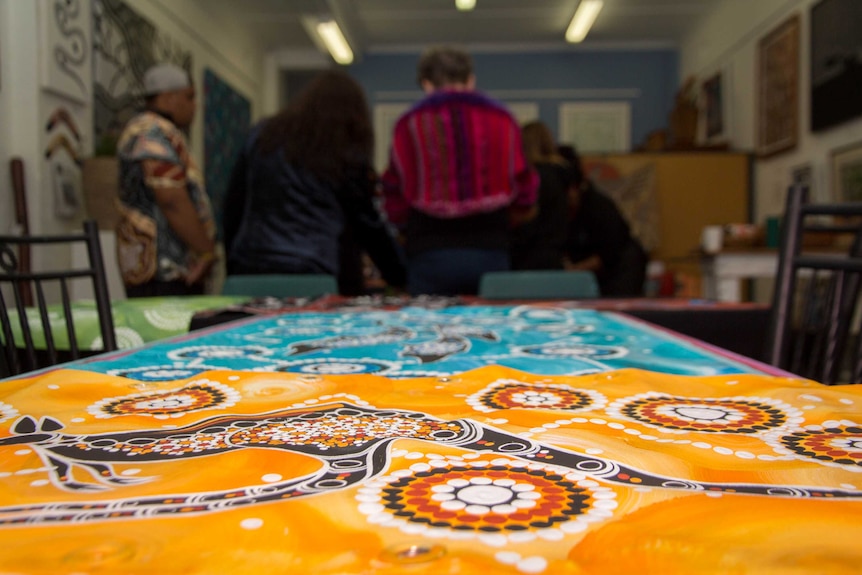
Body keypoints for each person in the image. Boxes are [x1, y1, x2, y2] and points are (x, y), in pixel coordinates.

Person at [223, 70, 406, 296]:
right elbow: (367, 224)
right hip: (311, 274)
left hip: (248, 272)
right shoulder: (343, 149)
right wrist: (400, 275)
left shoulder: (263, 135)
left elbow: (233, 208)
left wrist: (231, 265)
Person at [381, 45, 539, 296]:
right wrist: (512, 218)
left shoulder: (409, 124)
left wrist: (403, 227)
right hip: (491, 249)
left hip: (429, 251)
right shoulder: (502, 119)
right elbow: (525, 185)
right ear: (471, 80)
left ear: (426, 84)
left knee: (431, 331)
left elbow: (393, 190)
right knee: (493, 330)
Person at [115, 63, 216, 297]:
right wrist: (205, 252)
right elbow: (171, 199)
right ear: (169, 98)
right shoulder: (150, 131)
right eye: (189, 97)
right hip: (163, 270)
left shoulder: (154, 129)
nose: (195, 106)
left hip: (167, 268)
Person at [559, 145, 649, 297]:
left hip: (619, 267)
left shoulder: (599, 207)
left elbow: (610, 253)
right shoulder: (558, 209)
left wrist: (574, 271)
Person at [509, 121, 570, 270]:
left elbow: (529, 221)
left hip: (530, 256)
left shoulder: (533, 179)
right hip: (556, 254)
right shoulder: (563, 174)